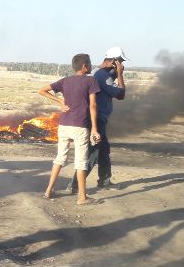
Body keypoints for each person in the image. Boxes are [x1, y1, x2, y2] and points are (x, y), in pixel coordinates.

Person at [38, 53, 101, 205]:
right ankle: (82, 197)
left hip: (64, 125)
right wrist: (94, 128)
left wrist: (59, 100)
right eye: (90, 63)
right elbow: (93, 106)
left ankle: (48, 191)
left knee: (60, 158)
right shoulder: (91, 80)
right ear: (84, 66)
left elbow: (42, 90)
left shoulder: (65, 80)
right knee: (81, 162)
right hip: (80, 126)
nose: (91, 66)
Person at [68, 47, 127, 192]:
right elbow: (121, 94)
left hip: (97, 119)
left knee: (104, 150)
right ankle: (74, 185)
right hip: (96, 120)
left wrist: (115, 73)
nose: (122, 65)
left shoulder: (99, 73)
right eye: (120, 61)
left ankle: (104, 181)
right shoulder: (102, 76)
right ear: (114, 61)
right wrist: (120, 75)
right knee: (94, 153)